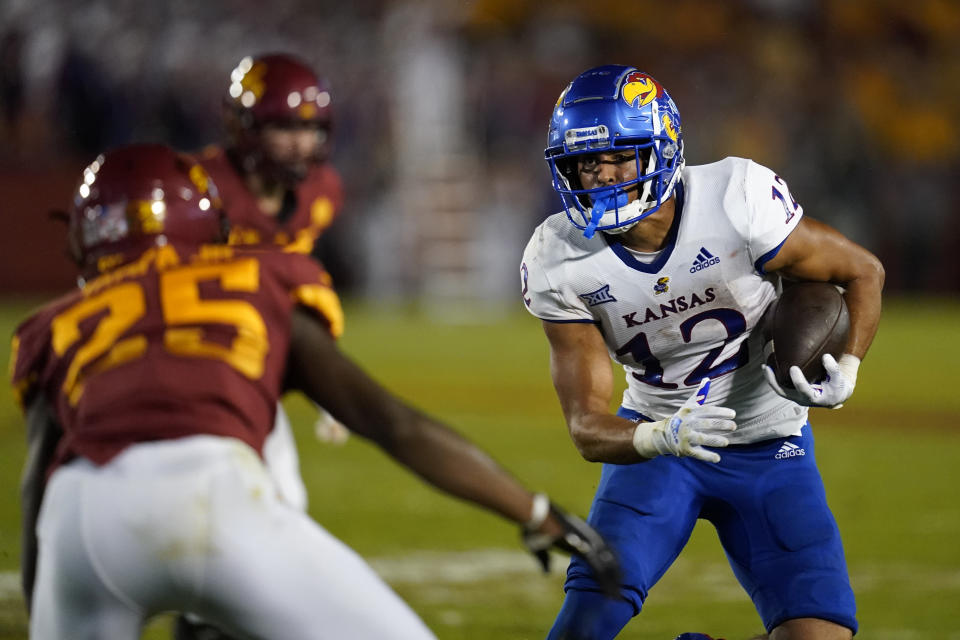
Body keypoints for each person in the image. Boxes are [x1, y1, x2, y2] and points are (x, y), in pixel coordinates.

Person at [13, 143, 621, 639]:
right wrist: (533, 511)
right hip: (215, 501)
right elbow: (393, 424)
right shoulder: (258, 279)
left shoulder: (55, 324)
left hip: (83, 518)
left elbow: (36, 482)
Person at [520, 66, 884, 639]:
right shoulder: (557, 258)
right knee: (583, 626)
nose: (601, 177)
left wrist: (853, 364)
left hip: (772, 443)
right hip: (661, 444)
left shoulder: (736, 201)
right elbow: (586, 426)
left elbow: (862, 271)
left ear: (661, 149)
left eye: (620, 158)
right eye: (587, 163)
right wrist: (660, 435)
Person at [197, 52, 349, 518]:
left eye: (312, 130)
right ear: (244, 128)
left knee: (283, 503)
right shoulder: (198, 192)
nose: (302, 144)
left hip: (252, 368)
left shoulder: (320, 193)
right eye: (285, 128)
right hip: (192, 362)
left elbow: (288, 294)